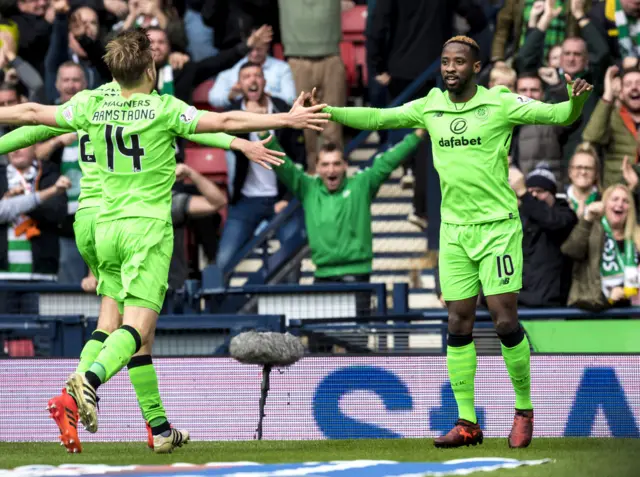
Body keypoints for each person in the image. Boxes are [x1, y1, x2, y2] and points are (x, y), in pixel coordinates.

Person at [0, 29, 328, 453]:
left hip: (102, 228)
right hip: (146, 232)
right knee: (135, 327)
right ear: (151, 69)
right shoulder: (163, 109)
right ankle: (87, 381)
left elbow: (27, 113)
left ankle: (156, 428)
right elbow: (223, 119)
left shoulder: (91, 103)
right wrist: (285, 119)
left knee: (129, 328)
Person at [312, 35, 592, 448]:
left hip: (497, 227)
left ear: (475, 68)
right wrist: (328, 110)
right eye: (444, 62)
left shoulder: (499, 102)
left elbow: (557, 113)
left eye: (458, 62)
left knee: (503, 320)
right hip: (454, 232)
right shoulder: (430, 105)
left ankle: (524, 408)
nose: (449, 69)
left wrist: (577, 101)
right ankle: (467, 422)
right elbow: (378, 117)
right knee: (458, 320)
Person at [267, 129, 426, 315]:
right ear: (317, 168)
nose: (331, 170)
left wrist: (418, 134)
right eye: (325, 164)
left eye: (336, 164)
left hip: (357, 275)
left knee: (356, 339)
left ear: (345, 166)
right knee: (319, 340)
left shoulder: (362, 184)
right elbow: (283, 166)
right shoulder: (308, 189)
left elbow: (388, 161)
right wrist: (264, 135)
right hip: (322, 277)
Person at [562, 183, 640, 310]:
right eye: (615, 199)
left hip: (627, 310)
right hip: (590, 309)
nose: (620, 204)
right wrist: (587, 218)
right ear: (604, 204)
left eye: (625, 201)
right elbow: (571, 251)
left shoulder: (637, 237)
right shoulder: (590, 228)